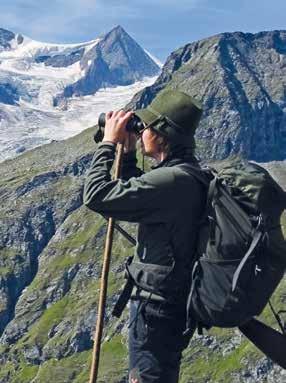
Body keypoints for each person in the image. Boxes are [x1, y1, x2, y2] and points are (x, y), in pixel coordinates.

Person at [83, 89, 205, 383]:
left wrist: (109, 143)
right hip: (165, 306)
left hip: (157, 311)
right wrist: (128, 154)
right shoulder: (183, 175)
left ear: (162, 135)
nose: (142, 130)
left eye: (146, 126)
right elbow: (136, 195)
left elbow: (96, 196)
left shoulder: (173, 180)